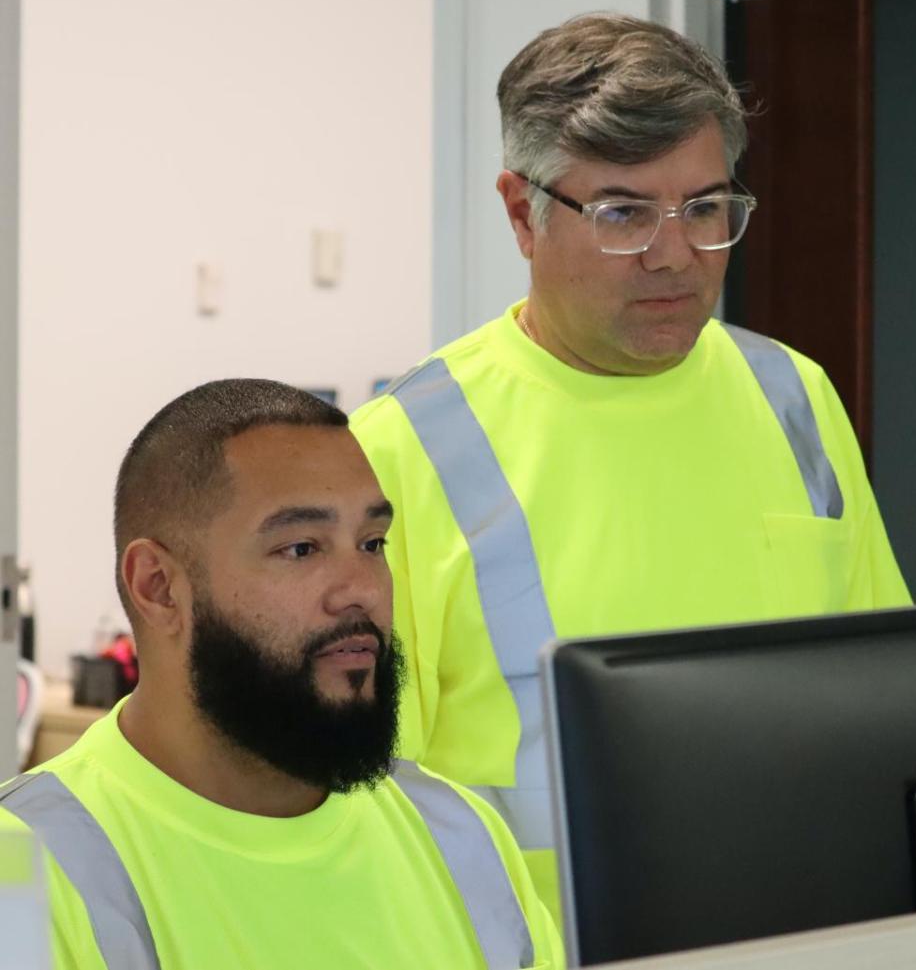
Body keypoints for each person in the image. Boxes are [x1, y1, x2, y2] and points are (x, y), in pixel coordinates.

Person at [350, 12, 911, 919]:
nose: (675, 254)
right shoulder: (399, 449)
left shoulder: (792, 396)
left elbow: (892, 701)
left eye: (704, 208)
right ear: (519, 213)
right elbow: (366, 813)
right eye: (622, 213)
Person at [0, 380, 561, 970]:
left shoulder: (462, 837)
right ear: (159, 587)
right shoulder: (21, 870)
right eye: (301, 549)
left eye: (372, 543)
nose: (364, 590)